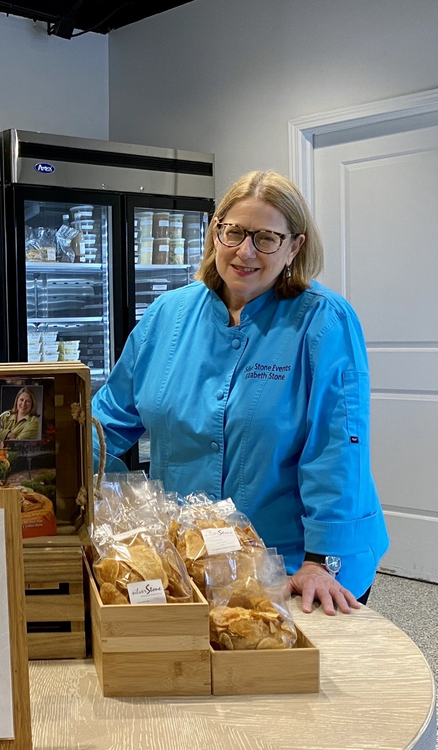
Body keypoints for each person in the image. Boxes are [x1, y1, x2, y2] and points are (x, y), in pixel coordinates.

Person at [92, 170, 390, 615]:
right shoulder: (168, 315)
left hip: (290, 564)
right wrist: (42, 471)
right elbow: (106, 421)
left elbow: (336, 449)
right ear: (216, 231)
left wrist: (320, 561)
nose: (244, 251)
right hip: (188, 559)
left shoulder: (323, 321)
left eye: (266, 238)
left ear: (294, 246)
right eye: (233, 232)